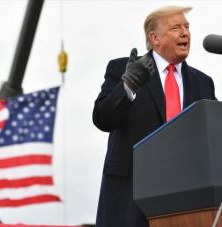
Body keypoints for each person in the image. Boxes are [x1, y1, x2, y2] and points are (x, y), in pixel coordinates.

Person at [92, 5, 216, 227]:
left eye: (187, 27)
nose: (185, 33)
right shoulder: (123, 68)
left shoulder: (203, 82)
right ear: (155, 38)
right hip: (131, 198)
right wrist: (128, 85)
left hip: (189, 201)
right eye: (176, 27)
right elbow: (103, 119)